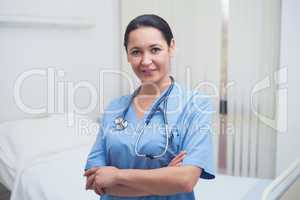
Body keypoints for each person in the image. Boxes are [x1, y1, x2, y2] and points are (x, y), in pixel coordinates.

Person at [84, 14, 215, 199]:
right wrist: (165, 179)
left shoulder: (195, 105)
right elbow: (96, 180)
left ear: (171, 47)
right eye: (136, 52)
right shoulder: (115, 108)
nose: (145, 61)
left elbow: (185, 180)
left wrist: (117, 175)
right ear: (128, 56)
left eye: (155, 50)